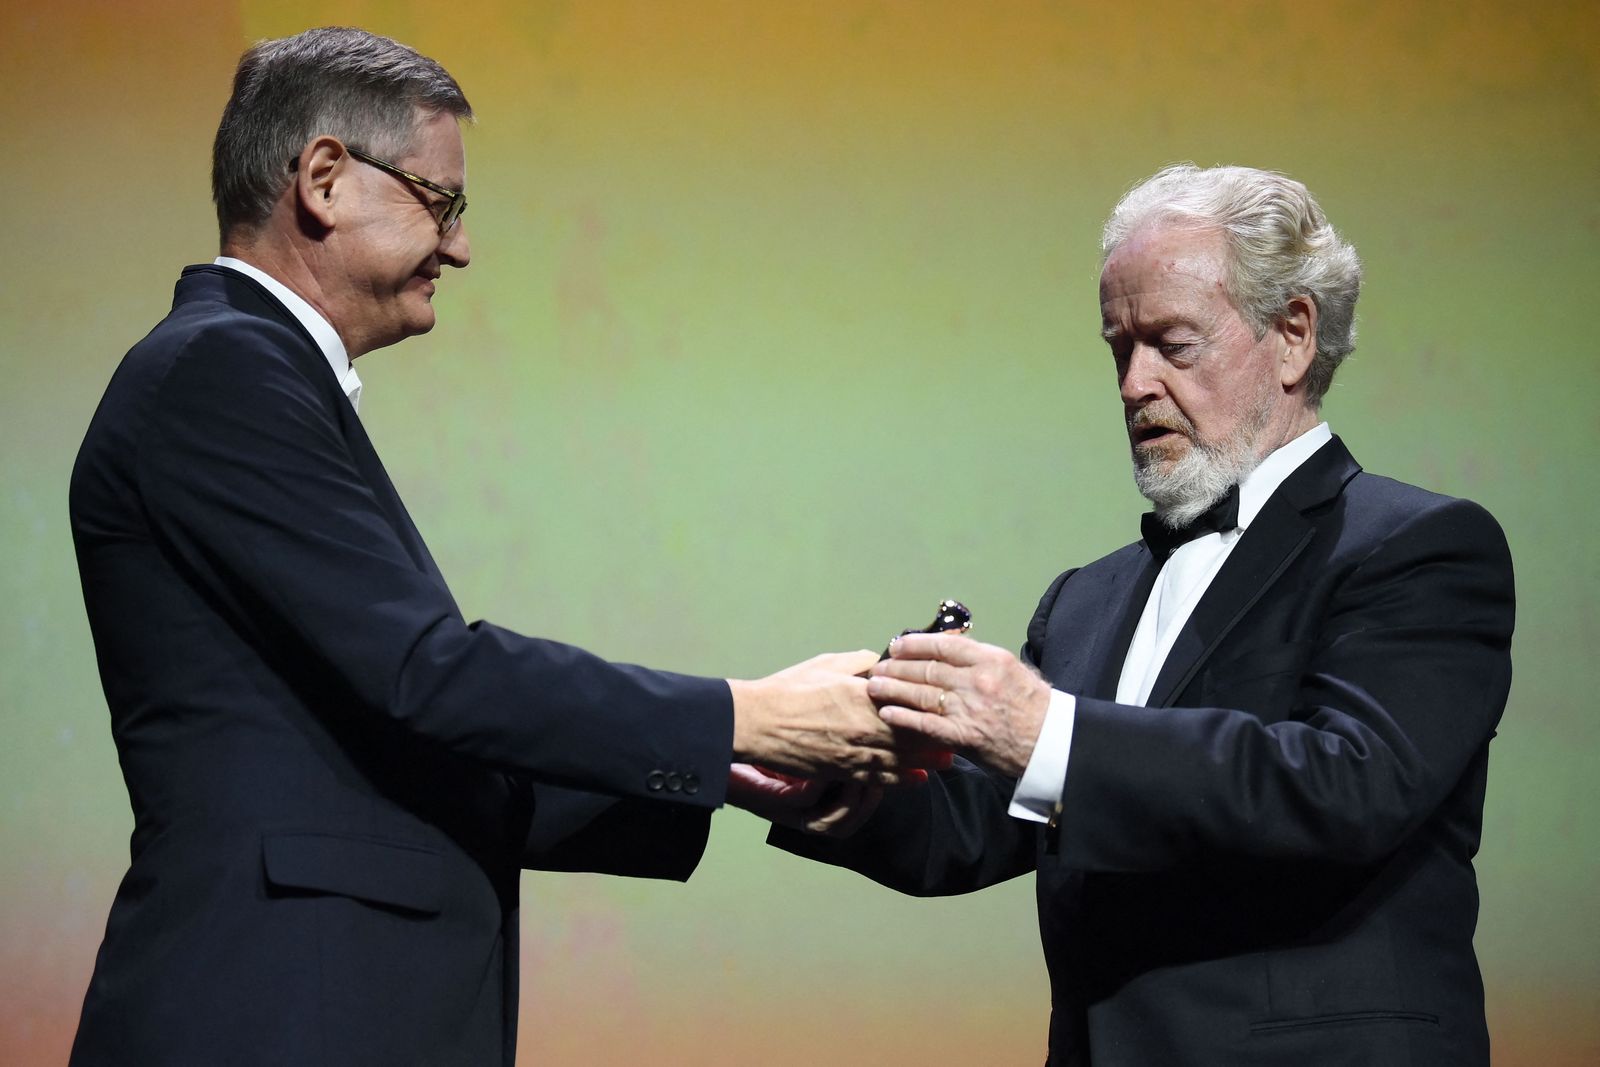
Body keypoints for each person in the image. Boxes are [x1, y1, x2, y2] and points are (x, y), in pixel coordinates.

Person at [68, 27, 911, 1067]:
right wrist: (748, 711)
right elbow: (430, 675)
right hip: (276, 1011)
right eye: (441, 200)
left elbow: (411, 743)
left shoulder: (244, 374)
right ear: (324, 179)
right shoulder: (222, 371)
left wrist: (731, 761)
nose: (458, 246)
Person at [767, 164, 1516, 1065]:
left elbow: (1340, 786)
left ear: (1292, 336)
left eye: (1172, 343)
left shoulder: (1421, 547)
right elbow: (970, 833)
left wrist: (1045, 730)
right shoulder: (1087, 598)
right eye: (1119, 347)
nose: (1133, 383)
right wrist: (828, 778)